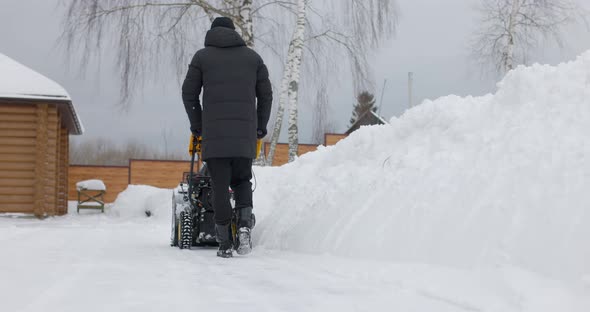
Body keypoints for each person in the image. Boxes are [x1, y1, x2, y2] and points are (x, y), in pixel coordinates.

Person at [181, 17, 273, 258]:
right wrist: (260, 127)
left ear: (212, 33)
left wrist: (198, 126)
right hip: (244, 137)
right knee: (242, 181)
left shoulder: (202, 57)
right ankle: (243, 228)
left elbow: (188, 93)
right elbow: (266, 95)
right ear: (235, 33)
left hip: (215, 137)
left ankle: (224, 243)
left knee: (219, 186)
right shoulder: (253, 58)